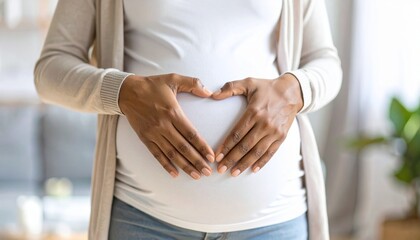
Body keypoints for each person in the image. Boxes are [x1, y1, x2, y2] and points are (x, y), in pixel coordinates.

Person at [34, 0, 342, 239]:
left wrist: (295, 90)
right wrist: (124, 92)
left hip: (273, 223)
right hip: (144, 221)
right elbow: (50, 71)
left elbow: (325, 61)